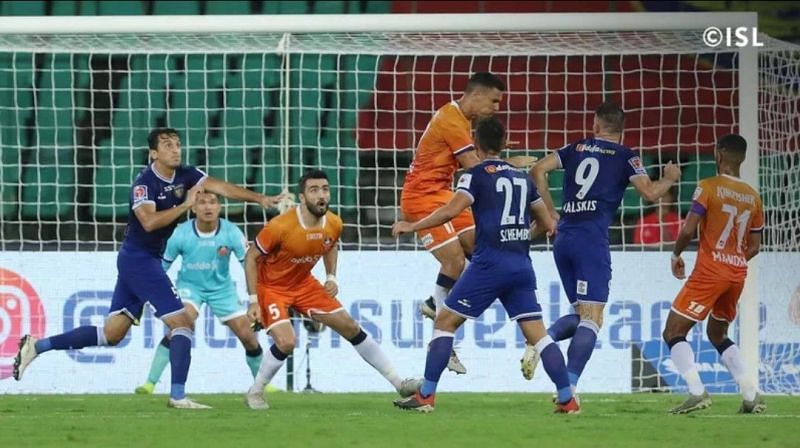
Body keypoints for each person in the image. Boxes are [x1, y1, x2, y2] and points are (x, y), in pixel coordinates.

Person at [13, 128, 283, 409]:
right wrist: (186, 205)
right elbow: (149, 222)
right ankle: (178, 396)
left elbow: (221, 187)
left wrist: (260, 199)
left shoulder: (186, 174)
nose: (175, 149)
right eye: (167, 145)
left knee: (112, 334)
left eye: (178, 144)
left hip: (143, 259)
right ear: (154, 153)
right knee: (182, 324)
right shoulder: (144, 183)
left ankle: (37, 346)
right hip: (139, 259)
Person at [392, 117, 579, 414]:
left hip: (489, 265)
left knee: (444, 323)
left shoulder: (474, 175)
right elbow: (547, 223)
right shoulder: (522, 178)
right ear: (505, 144)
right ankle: (568, 398)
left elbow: (452, 210)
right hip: (520, 265)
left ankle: (425, 396)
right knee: (539, 336)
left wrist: (413, 224)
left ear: (476, 144)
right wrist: (518, 240)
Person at [524, 102, 681, 398]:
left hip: (564, 237)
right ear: (622, 130)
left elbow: (537, 169)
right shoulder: (626, 156)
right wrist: (670, 179)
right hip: (591, 240)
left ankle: (541, 340)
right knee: (592, 319)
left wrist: (550, 212)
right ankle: (568, 387)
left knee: (582, 313)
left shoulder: (577, 147)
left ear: (596, 125)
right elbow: (650, 193)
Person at [243, 169, 420, 410]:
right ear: (302, 197)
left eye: (325, 189)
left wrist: (332, 277)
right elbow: (251, 256)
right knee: (286, 342)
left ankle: (400, 383)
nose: (321, 195)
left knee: (350, 326)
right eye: (314, 190)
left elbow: (330, 245)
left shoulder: (334, 223)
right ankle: (255, 392)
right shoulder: (279, 226)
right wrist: (253, 300)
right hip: (272, 287)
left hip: (304, 283)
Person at [400, 72, 507, 375]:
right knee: (454, 262)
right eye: (494, 100)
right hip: (420, 199)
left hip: (443, 194)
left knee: (480, 248)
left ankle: (439, 306)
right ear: (475, 95)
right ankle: (439, 317)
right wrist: (508, 169)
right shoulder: (451, 120)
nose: (497, 107)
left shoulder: (461, 120)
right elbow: (475, 166)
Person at [662, 134, 765, 414]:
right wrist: (732, 260)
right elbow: (755, 246)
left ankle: (697, 392)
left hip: (710, 272)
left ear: (719, 154)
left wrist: (676, 255)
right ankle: (750, 394)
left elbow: (687, 229)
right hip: (737, 273)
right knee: (717, 333)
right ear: (741, 158)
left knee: (673, 330)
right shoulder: (754, 197)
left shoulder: (707, 187)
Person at [134, 191, 269, 395]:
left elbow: (249, 266)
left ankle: (263, 385)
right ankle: (150, 384)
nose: (208, 207)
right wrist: (147, 294)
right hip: (189, 287)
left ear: (219, 208)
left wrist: (256, 299)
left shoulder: (231, 232)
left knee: (248, 335)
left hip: (222, 289)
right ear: (194, 208)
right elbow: (161, 266)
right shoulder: (180, 233)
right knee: (182, 323)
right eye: (202, 203)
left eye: (213, 202)